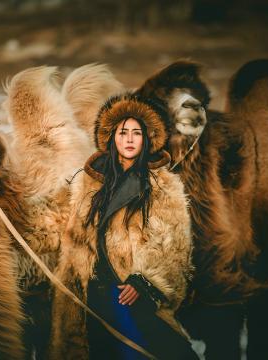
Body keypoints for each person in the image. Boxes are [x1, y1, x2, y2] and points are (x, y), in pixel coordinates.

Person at [49, 93, 199, 360]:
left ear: (146, 139)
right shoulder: (87, 182)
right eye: (122, 133)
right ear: (111, 138)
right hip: (87, 297)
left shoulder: (163, 185)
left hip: (130, 297)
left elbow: (174, 246)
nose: (129, 139)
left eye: (136, 133)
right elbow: (54, 221)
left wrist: (145, 283)